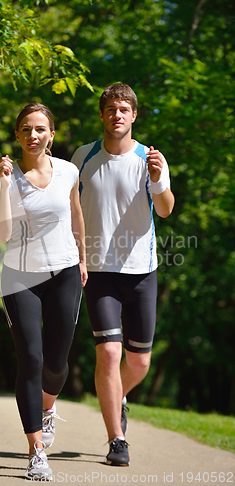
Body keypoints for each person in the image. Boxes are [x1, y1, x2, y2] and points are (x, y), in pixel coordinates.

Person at [71, 83, 175, 466]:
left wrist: (159, 179)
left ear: (134, 116)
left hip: (142, 272)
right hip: (98, 272)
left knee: (139, 363)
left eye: (124, 109)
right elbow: (71, 210)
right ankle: (117, 439)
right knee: (110, 354)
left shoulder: (151, 158)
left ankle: (116, 397)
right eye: (111, 109)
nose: (117, 115)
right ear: (102, 115)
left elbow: (165, 210)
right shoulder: (83, 157)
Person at [0, 103, 87, 480]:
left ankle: (48, 408)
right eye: (26, 129)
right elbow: (1, 233)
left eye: (40, 129)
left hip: (64, 270)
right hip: (19, 276)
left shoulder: (68, 171)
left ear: (51, 134)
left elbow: (76, 213)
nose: (33, 135)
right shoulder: (7, 178)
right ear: (17, 136)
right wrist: (1, 186)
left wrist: (82, 258)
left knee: (56, 362)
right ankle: (36, 451)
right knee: (30, 359)